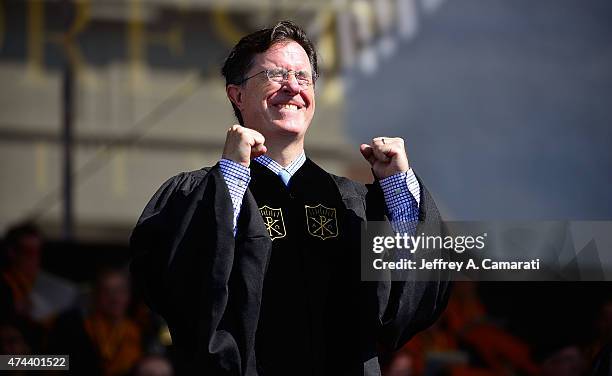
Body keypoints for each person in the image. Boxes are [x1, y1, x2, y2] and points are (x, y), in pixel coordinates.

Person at [130, 20, 450, 375]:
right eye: (276, 75)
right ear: (237, 95)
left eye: (303, 77)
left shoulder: (353, 202)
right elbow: (182, 290)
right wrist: (232, 175)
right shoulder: (196, 195)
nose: (293, 87)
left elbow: (406, 302)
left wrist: (397, 189)